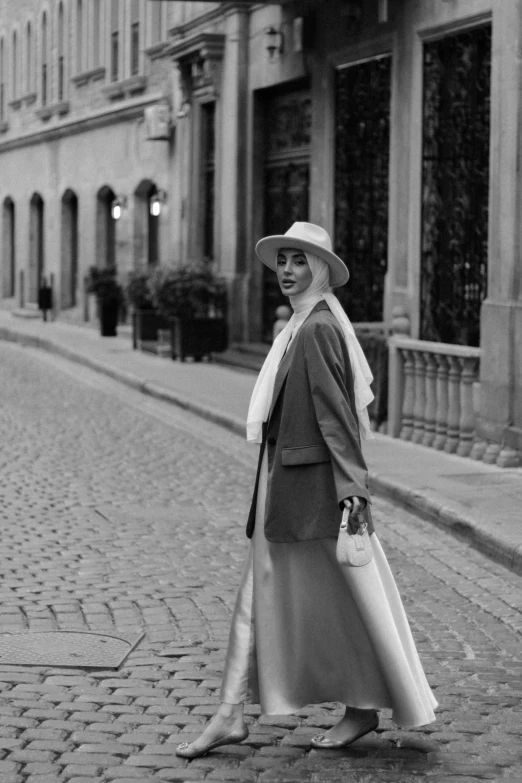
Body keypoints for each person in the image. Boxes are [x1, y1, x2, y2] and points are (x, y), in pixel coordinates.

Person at [176, 222, 437, 759]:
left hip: (312, 487)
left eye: (299, 261)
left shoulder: (315, 329)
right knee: (321, 599)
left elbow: (337, 416)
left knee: (327, 596)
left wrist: (353, 491)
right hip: (289, 482)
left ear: (317, 269)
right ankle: (243, 712)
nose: (287, 272)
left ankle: (239, 714)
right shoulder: (301, 324)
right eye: (283, 262)